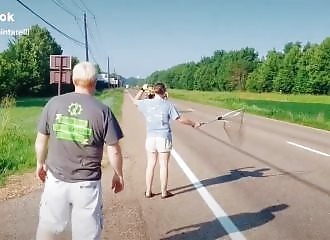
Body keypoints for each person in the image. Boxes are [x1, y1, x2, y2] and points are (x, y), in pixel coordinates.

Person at [35, 61, 124, 240]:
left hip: (56, 180)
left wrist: (39, 163)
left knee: (49, 228)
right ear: (94, 82)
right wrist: (118, 174)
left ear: (73, 80)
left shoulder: (53, 103)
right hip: (87, 185)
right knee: (86, 234)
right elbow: (113, 151)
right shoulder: (103, 111)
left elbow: (41, 140)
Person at [134, 83, 201, 199]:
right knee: (163, 165)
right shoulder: (168, 105)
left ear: (153, 91)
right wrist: (194, 123)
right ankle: (164, 192)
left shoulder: (146, 103)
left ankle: (148, 191)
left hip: (150, 137)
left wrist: (142, 89)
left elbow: (135, 101)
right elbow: (180, 119)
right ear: (164, 91)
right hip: (163, 137)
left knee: (150, 164)